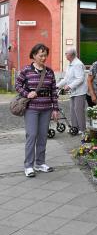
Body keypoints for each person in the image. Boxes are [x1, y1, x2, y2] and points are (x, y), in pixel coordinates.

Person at [15, 43, 59, 177]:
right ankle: (28, 165)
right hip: (32, 109)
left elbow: (53, 91)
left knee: (42, 137)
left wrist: (55, 108)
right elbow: (17, 84)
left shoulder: (50, 72)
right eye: (41, 55)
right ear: (34, 55)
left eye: (45, 55)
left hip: (46, 108)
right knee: (32, 135)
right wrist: (26, 93)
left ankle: (40, 163)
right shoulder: (26, 70)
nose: (44, 58)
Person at [57, 47, 87, 134]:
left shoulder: (77, 64)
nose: (65, 54)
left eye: (66, 53)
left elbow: (80, 78)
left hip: (80, 92)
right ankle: (75, 128)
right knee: (73, 110)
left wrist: (69, 86)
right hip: (74, 91)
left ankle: (82, 129)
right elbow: (66, 78)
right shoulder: (70, 64)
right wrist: (56, 86)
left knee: (78, 110)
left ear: (71, 55)